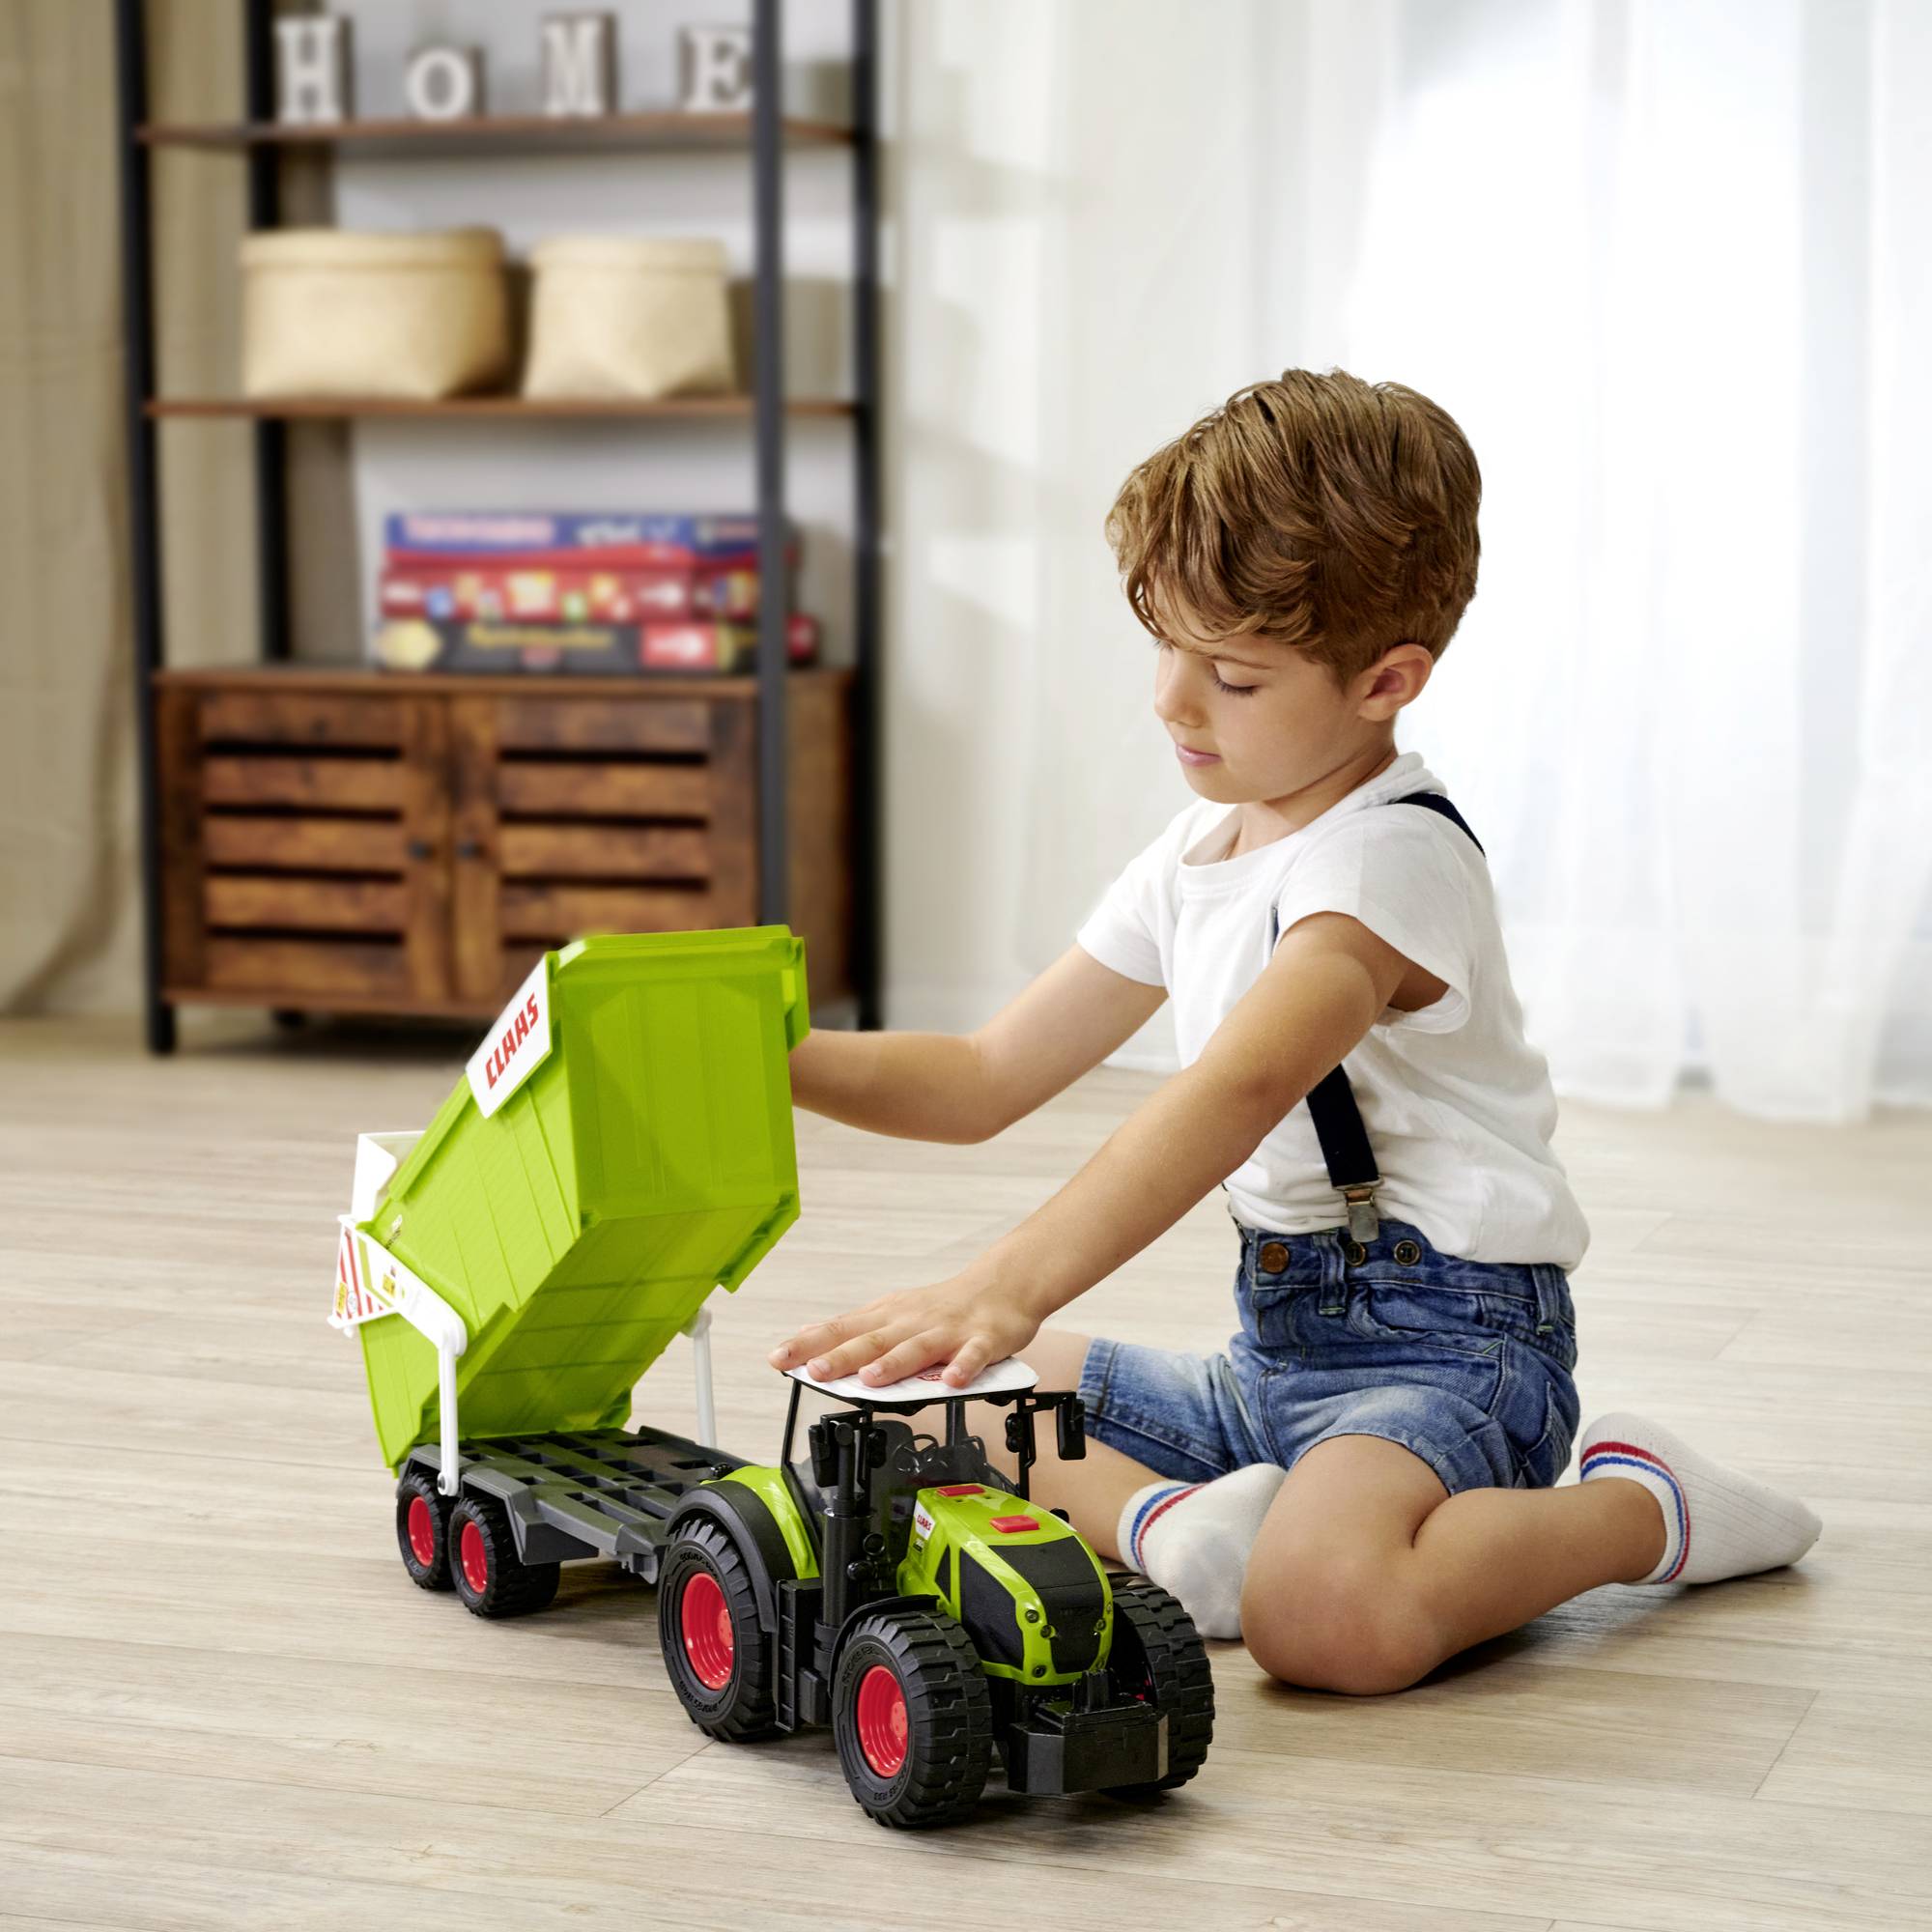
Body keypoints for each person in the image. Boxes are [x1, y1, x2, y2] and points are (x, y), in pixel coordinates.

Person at [770, 369, 1821, 1694]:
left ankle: (1640, 1508)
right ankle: (1174, 1530)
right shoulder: (1198, 853)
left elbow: (1242, 1084)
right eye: (1165, 647)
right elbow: (984, 1076)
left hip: (1454, 1356)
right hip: (1270, 1364)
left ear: (1388, 680)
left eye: (1231, 674)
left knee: (1326, 1619)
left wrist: (1011, 1280)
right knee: (921, 1399)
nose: (1171, 701)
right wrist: (766, 1056)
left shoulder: (1388, 868)